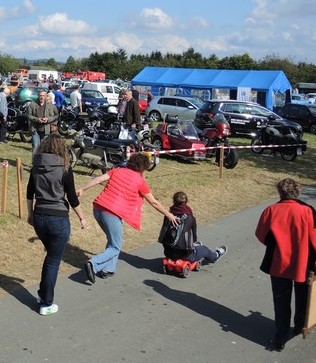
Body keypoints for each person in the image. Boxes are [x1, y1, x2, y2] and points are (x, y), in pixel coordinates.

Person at [78, 153, 176, 282]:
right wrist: (168, 214)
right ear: (143, 168)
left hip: (98, 209)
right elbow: (154, 202)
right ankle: (93, 264)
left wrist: (82, 189)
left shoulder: (117, 170)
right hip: (112, 214)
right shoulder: (140, 181)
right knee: (115, 247)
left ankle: (108, 269)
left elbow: (97, 180)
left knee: (112, 240)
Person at [255, 178, 316, 351]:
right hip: (303, 264)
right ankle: (300, 326)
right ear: (297, 191)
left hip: (278, 264)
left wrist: (277, 244)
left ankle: (281, 337)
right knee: (303, 298)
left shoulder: (271, 210)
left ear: (280, 192)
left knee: (281, 302)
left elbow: (261, 234)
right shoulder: (307, 211)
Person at [28, 134, 87, 314]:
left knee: (50, 258)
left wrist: (30, 214)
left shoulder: (36, 167)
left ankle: (43, 294)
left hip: (39, 217)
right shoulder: (64, 169)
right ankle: (46, 303)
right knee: (53, 261)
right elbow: (72, 197)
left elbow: (30, 192)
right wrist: (82, 217)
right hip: (58, 219)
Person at [161, 191, 227, 264]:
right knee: (204, 250)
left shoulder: (168, 216)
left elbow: (163, 234)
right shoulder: (189, 217)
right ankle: (216, 255)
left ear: (173, 201)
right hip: (186, 255)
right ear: (186, 201)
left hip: (168, 253)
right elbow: (194, 236)